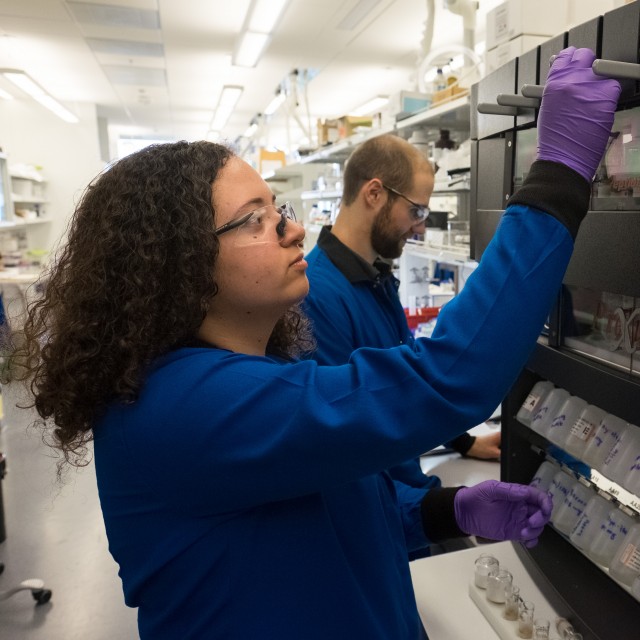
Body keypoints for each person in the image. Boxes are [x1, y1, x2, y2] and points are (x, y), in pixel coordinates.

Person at [12, 48, 619, 639]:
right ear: (180, 263)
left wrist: (442, 512)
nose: (294, 227)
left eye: (279, 208)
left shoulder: (249, 372)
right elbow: (446, 377)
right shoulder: (182, 406)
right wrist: (559, 175)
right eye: (256, 218)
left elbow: (325, 514)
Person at [302, 132, 500, 559]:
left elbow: (407, 378)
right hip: (382, 514)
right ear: (375, 193)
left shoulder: (375, 277)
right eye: (417, 209)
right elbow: (348, 432)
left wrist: (464, 442)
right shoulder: (318, 295)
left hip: (409, 495)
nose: (421, 224)